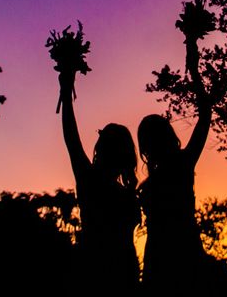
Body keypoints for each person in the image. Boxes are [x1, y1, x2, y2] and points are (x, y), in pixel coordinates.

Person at [138, 21, 213, 292]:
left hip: (174, 256)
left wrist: (192, 63)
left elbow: (205, 115)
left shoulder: (182, 164)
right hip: (169, 256)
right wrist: (193, 65)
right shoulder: (181, 165)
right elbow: (205, 114)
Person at [57, 70, 141, 293]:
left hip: (124, 272)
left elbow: (72, 139)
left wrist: (66, 93)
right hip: (96, 270)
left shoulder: (125, 190)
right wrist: (66, 93)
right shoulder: (90, 178)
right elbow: (71, 137)